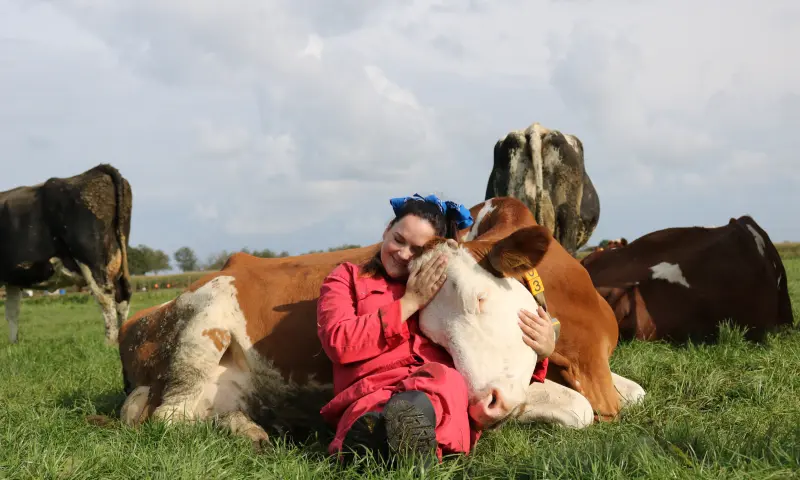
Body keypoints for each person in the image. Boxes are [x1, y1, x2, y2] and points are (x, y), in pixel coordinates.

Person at [316, 193, 557, 466]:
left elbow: (482, 339)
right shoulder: (347, 278)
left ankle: (392, 444)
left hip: (434, 394)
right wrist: (408, 304)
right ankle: (388, 442)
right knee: (378, 410)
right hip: (370, 390)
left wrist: (542, 352)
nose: (403, 254)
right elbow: (338, 342)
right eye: (398, 240)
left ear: (432, 254)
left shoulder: (443, 287)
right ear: (386, 231)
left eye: (417, 250)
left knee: (445, 383)